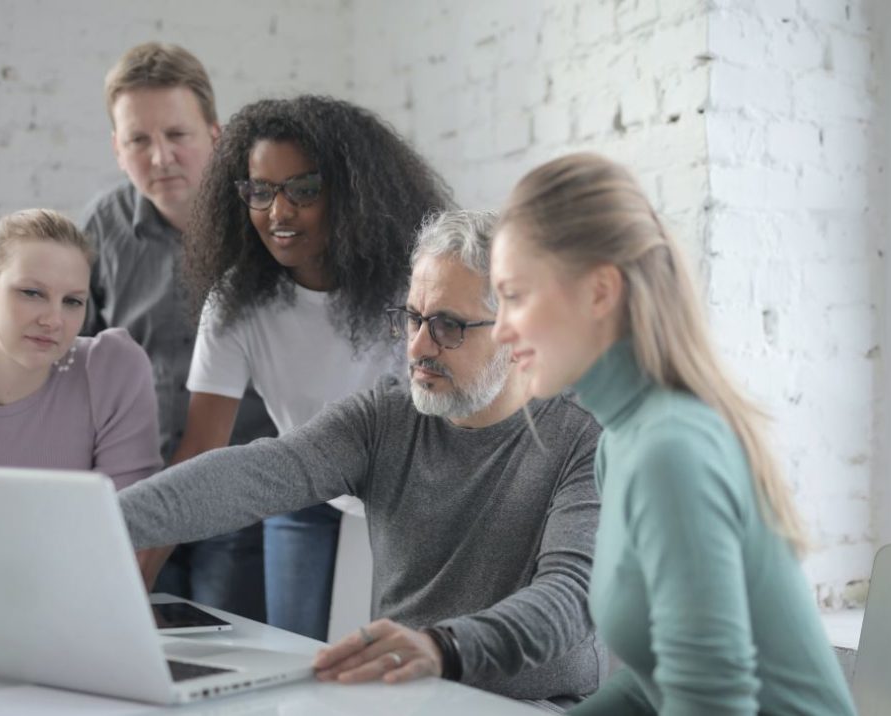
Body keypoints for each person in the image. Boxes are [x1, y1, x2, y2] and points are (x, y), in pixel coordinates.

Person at [119, 210, 604, 706]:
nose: (418, 346)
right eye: (413, 318)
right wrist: (101, 521)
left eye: (448, 326)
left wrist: (443, 648)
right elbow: (255, 474)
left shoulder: (584, 439)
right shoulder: (384, 417)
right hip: (410, 695)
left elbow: (570, 596)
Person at [490, 153, 856, 715]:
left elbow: (712, 704)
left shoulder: (671, 450)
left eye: (515, 296)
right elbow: (653, 681)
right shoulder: (622, 440)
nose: (498, 331)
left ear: (599, 292)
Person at [149, 94, 453, 641]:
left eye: (304, 190)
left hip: (409, 504)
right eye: (259, 191)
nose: (278, 212)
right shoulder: (236, 302)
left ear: (352, 194)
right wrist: (134, 583)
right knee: (301, 662)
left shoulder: (411, 286)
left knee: (400, 670)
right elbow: (200, 451)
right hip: (304, 496)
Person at [81, 42, 276, 620]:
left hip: (238, 499)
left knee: (233, 670)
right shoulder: (100, 228)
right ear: (117, 149)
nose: (160, 157)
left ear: (215, 136)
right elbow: (74, 362)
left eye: (177, 134)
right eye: (138, 140)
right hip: (132, 497)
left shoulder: (264, 226)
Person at [0, 208, 161, 600]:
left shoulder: (111, 370)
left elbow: (128, 536)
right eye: (32, 293)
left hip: (72, 612)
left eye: (72, 301)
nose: (53, 319)